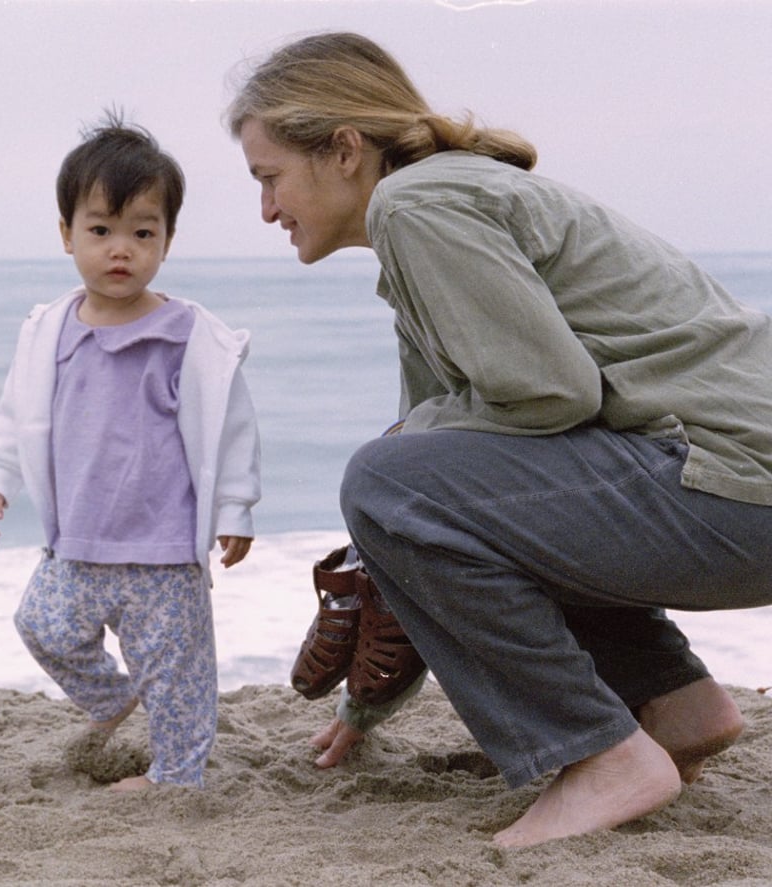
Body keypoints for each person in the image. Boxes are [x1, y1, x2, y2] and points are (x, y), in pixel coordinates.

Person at [226, 31, 772, 846]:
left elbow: (552, 393)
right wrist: (365, 705)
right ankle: (673, 703)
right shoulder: (426, 218)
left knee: (386, 473)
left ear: (343, 149)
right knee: (407, 473)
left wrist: (406, 446)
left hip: (735, 487)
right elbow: (447, 494)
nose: (266, 208)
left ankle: (607, 756)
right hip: (728, 492)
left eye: (269, 177)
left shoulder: (419, 206)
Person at [0, 114, 261, 791]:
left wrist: (236, 508)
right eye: (100, 230)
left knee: (176, 670)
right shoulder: (49, 331)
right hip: (79, 543)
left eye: (142, 232)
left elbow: (232, 426)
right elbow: (18, 413)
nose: (119, 249)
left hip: (162, 550)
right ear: (67, 234)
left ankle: (176, 776)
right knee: (40, 623)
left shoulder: (189, 336)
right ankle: (110, 697)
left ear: (167, 240)